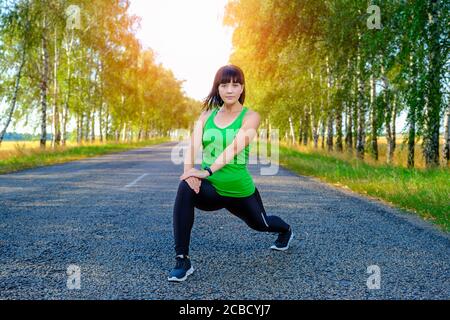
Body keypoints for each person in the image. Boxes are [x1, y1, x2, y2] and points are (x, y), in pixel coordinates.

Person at [168, 64, 294, 282]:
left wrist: (206, 171)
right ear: (217, 88)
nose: (229, 90)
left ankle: (286, 230)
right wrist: (190, 173)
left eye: (235, 85)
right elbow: (192, 147)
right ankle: (182, 259)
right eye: (224, 84)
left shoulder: (251, 117)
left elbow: (235, 147)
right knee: (184, 187)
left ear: (242, 88)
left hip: (239, 190)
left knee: (261, 224)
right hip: (212, 190)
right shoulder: (206, 116)